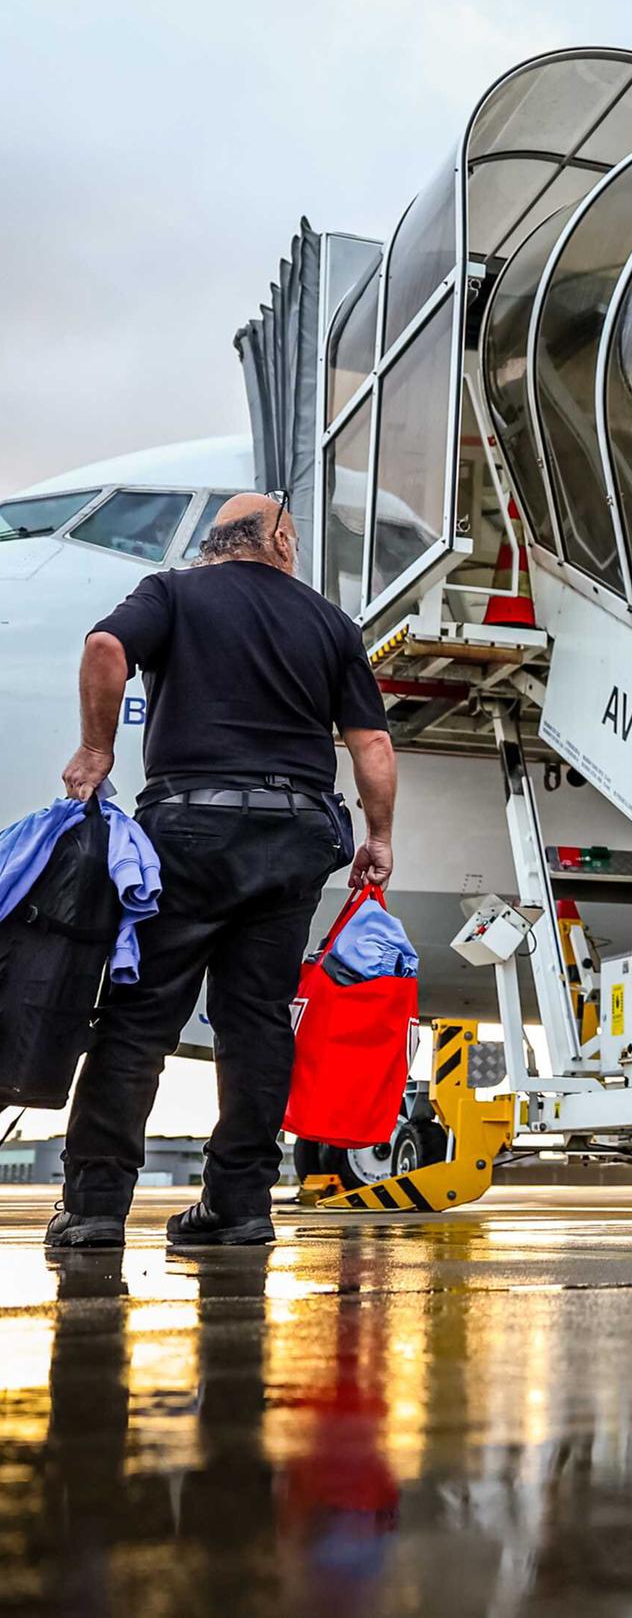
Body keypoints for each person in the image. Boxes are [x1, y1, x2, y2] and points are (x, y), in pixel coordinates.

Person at [47, 494, 396, 1251]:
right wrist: (379, 837)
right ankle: (240, 1207)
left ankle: (96, 1208)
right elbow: (372, 746)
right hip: (298, 830)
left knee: (140, 1020)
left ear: (218, 542)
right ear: (278, 539)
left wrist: (97, 749)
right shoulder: (332, 624)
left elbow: (106, 648)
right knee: (258, 1025)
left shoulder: (171, 591)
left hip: (191, 828)